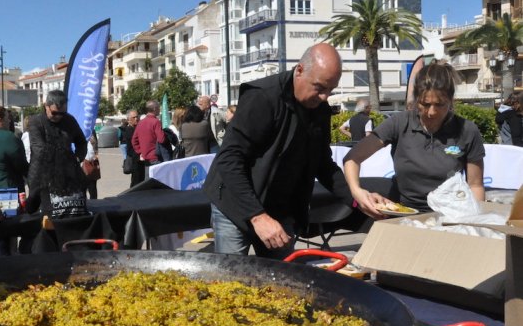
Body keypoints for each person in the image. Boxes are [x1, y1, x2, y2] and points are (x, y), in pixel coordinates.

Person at [204, 43, 362, 259]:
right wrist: (257, 216)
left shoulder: (320, 111)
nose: (325, 97)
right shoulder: (262, 97)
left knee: (283, 279)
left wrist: (356, 198)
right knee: (231, 276)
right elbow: (229, 159)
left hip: (280, 208)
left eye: (330, 90)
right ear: (299, 71)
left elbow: (322, 164)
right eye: (319, 87)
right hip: (236, 203)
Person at [344, 61, 486, 214]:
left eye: (439, 104)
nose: (431, 112)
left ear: (451, 100)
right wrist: (357, 191)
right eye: (425, 104)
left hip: (450, 216)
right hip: (403, 213)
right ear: (417, 100)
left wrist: (476, 222)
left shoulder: (467, 130)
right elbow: (352, 158)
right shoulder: (398, 123)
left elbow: (475, 186)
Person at [26, 90, 88, 217]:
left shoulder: (69, 120)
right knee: (38, 214)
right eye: (55, 113)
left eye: (62, 113)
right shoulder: (35, 122)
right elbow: (40, 149)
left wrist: (77, 158)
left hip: (69, 173)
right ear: (46, 106)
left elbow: (81, 142)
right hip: (41, 174)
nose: (59, 116)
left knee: (73, 209)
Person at [131, 100, 166, 174]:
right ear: (154, 109)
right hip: (156, 157)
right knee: (159, 182)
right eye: (158, 108)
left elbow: (134, 140)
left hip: (146, 157)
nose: (159, 110)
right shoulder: (156, 122)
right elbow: (161, 139)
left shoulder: (141, 122)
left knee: (149, 181)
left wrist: (140, 151)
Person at [120, 110, 143, 187]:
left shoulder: (137, 128)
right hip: (135, 159)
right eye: (134, 117)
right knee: (136, 182)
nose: (136, 119)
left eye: (137, 117)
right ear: (129, 119)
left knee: (140, 180)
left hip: (140, 159)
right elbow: (130, 148)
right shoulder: (129, 130)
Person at [84, 130, 100, 199]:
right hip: (91, 162)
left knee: (87, 187)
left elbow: (91, 152)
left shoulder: (89, 132)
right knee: (92, 187)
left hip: (87, 163)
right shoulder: (91, 131)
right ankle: (94, 203)